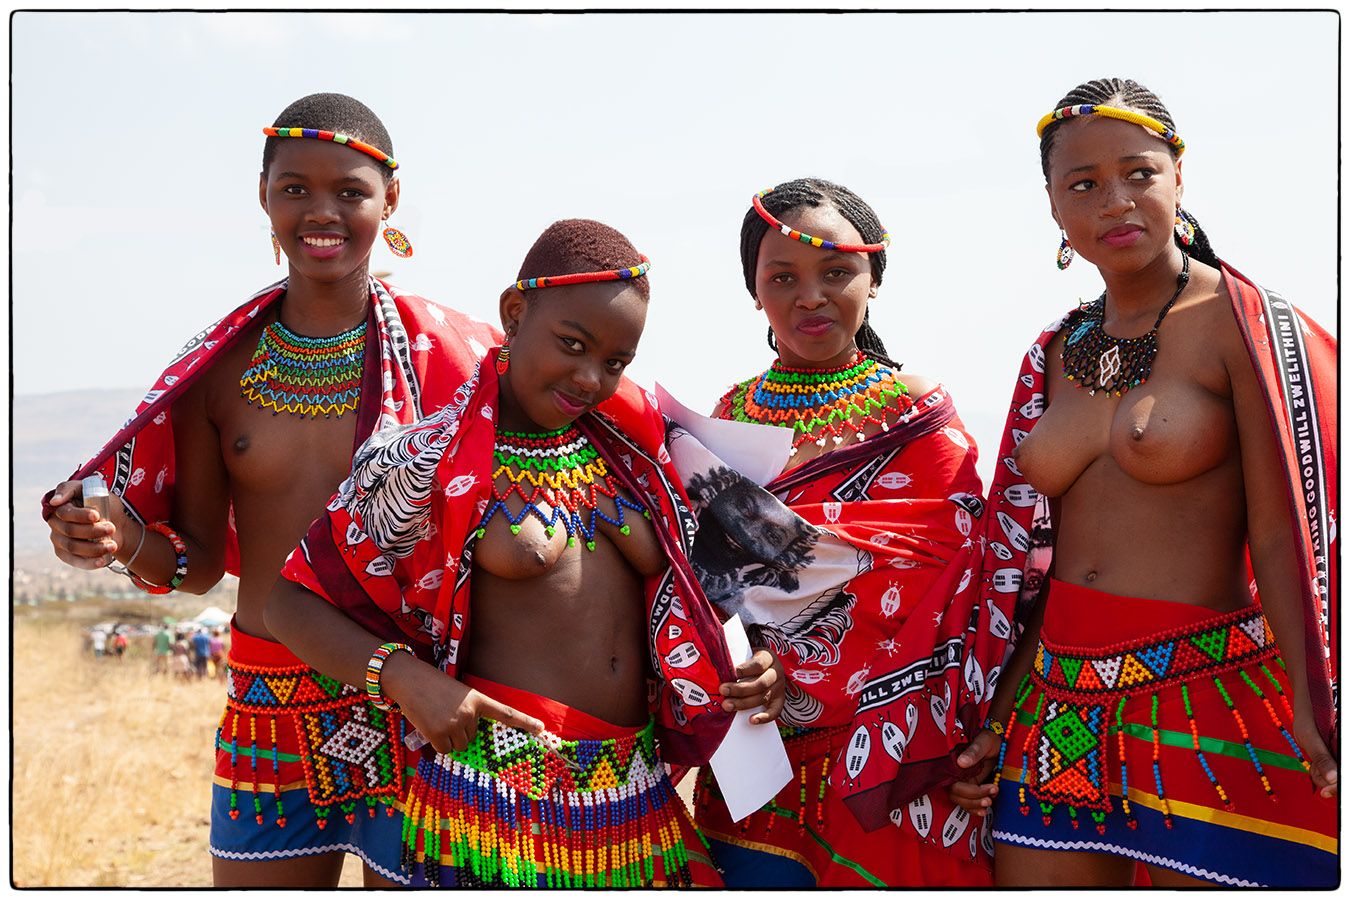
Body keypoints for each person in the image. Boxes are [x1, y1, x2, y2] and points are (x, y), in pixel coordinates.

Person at [40, 93, 499, 887]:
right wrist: (122, 541)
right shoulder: (221, 371)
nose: (322, 212)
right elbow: (196, 568)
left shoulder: (454, 360)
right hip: (267, 702)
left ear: (391, 199)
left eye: (350, 191)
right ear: (264, 197)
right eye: (295, 189)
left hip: (414, 694)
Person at [267, 219, 746, 888]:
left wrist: (758, 665)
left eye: (614, 362)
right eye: (572, 345)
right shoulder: (425, 461)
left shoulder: (642, 457)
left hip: (630, 801)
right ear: (514, 314)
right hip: (492, 810)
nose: (589, 378)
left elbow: (735, 582)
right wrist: (404, 679)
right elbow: (288, 601)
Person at [948, 78, 1338, 888]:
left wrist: (1317, 701)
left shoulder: (1246, 325)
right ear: (1054, 208)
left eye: (1138, 173)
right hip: (1059, 709)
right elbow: (1035, 565)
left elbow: (1287, 535)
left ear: (1179, 176)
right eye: (1082, 185)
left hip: (1210, 696)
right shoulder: (1052, 351)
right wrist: (1004, 707)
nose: (1114, 201)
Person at [676, 178, 992, 887]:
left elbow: (956, 581)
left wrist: (802, 668)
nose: (809, 296)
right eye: (782, 277)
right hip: (756, 761)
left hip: (892, 754)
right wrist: (735, 664)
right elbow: (702, 580)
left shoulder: (919, 416)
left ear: (875, 279)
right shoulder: (724, 418)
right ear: (754, 292)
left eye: (837, 272)